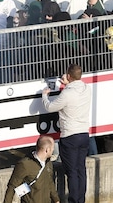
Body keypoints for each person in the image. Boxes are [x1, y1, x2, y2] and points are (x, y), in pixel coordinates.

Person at [42, 63, 91, 203]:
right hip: (83, 135)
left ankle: (74, 200)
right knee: (81, 169)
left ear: (68, 76)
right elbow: (76, 85)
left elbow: (51, 107)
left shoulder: (67, 93)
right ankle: (81, 199)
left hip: (70, 136)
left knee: (72, 172)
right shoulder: (87, 89)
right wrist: (68, 82)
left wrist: (45, 96)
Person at [2, 135, 60, 203]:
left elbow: (50, 182)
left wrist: (56, 200)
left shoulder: (48, 163)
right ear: (47, 150)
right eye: (53, 148)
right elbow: (12, 186)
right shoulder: (24, 164)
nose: (53, 150)